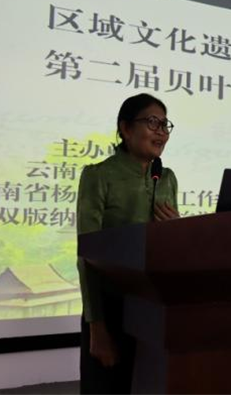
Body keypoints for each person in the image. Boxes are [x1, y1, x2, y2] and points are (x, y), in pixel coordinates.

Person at [76, 93, 180, 394]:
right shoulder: (99, 176)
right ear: (125, 128)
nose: (161, 132)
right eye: (152, 122)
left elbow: (170, 251)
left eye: (165, 125)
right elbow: (87, 256)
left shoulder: (167, 178)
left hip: (152, 309)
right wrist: (97, 327)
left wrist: (177, 231)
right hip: (110, 307)